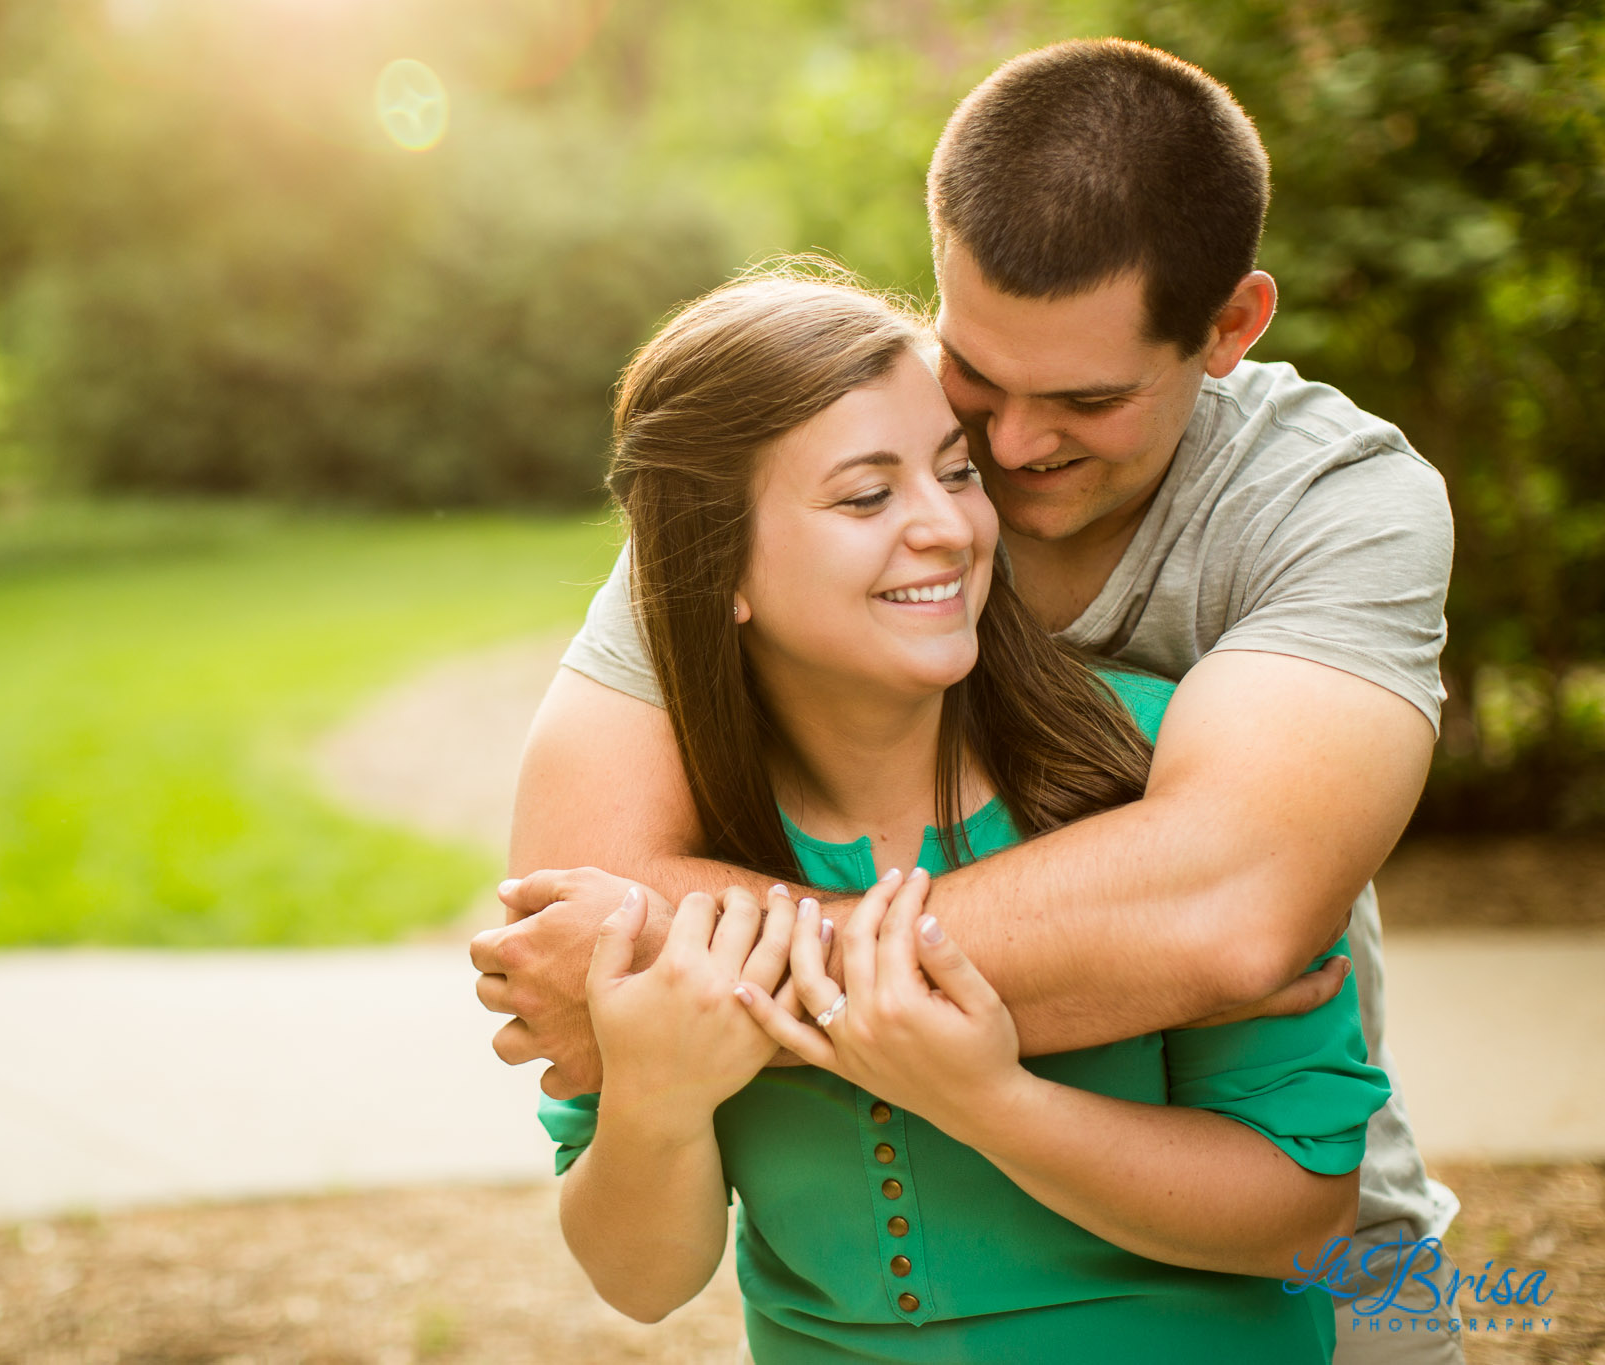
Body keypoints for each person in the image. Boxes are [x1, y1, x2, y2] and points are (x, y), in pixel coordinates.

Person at [472, 38, 1463, 1364]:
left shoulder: (1332, 506)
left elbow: (1222, 915)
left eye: (1088, 399)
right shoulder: (794, 463)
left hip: (1307, 1288)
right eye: (975, 378)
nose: (1002, 454)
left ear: (1229, 328)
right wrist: (676, 1023)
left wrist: (693, 976)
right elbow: (575, 899)